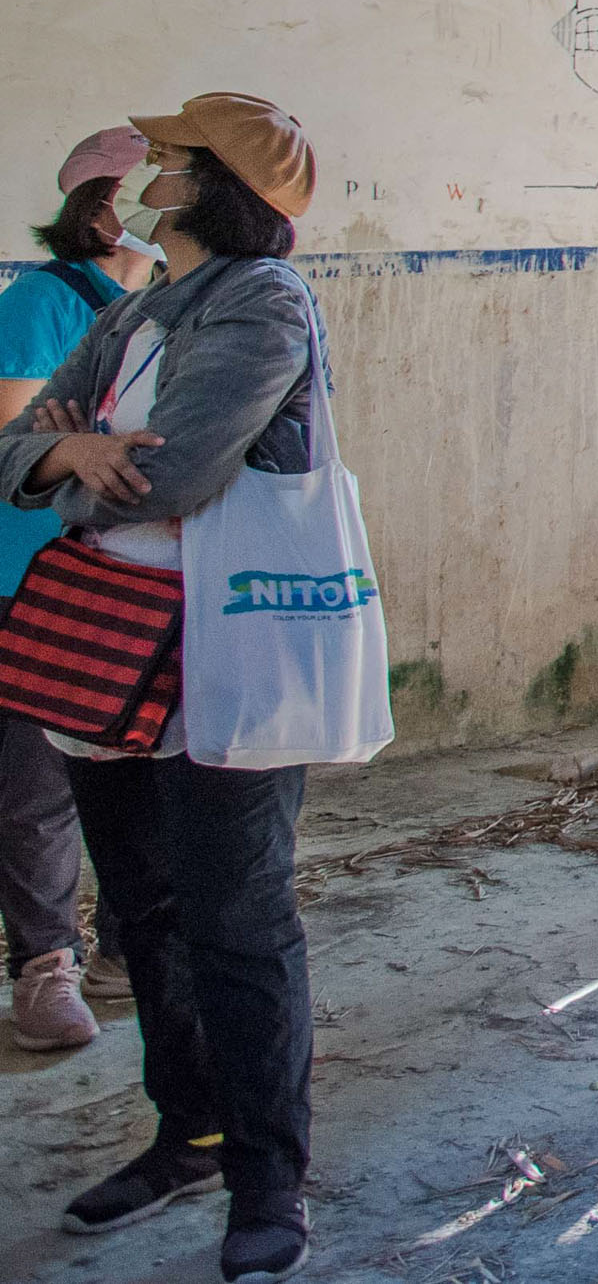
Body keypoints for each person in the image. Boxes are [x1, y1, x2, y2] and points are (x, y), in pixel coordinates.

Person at [1, 93, 341, 1282]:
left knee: (237, 923)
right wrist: (60, 451)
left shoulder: (263, 303)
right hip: (112, 654)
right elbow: (10, 450)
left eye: (172, 154)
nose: (149, 165)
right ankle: (187, 1131)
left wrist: (72, 459)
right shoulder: (141, 307)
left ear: (220, 183)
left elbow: (180, 471)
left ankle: (268, 1177)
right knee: (142, 910)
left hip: (221, 661)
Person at [0, 124, 156, 1054]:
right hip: (32, 576)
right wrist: (81, 445)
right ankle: (43, 963)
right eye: (142, 198)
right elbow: (15, 437)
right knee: (34, 780)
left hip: (122, 574)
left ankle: (122, 955)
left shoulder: (156, 309)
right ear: (97, 212)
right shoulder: (42, 300)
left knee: (129, 770)